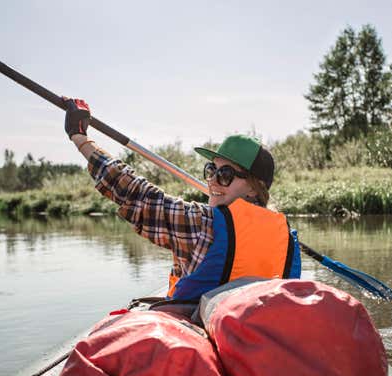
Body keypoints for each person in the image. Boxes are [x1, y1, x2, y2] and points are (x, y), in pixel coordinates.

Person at [63, 98, 301, 300]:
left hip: (201, 339)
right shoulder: (288, 240)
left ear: (253, 188)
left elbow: (135, 193)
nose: (213, 181)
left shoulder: (203, 224)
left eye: (225, 174)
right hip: (257, 342)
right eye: (211, 170)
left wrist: (81, 138)